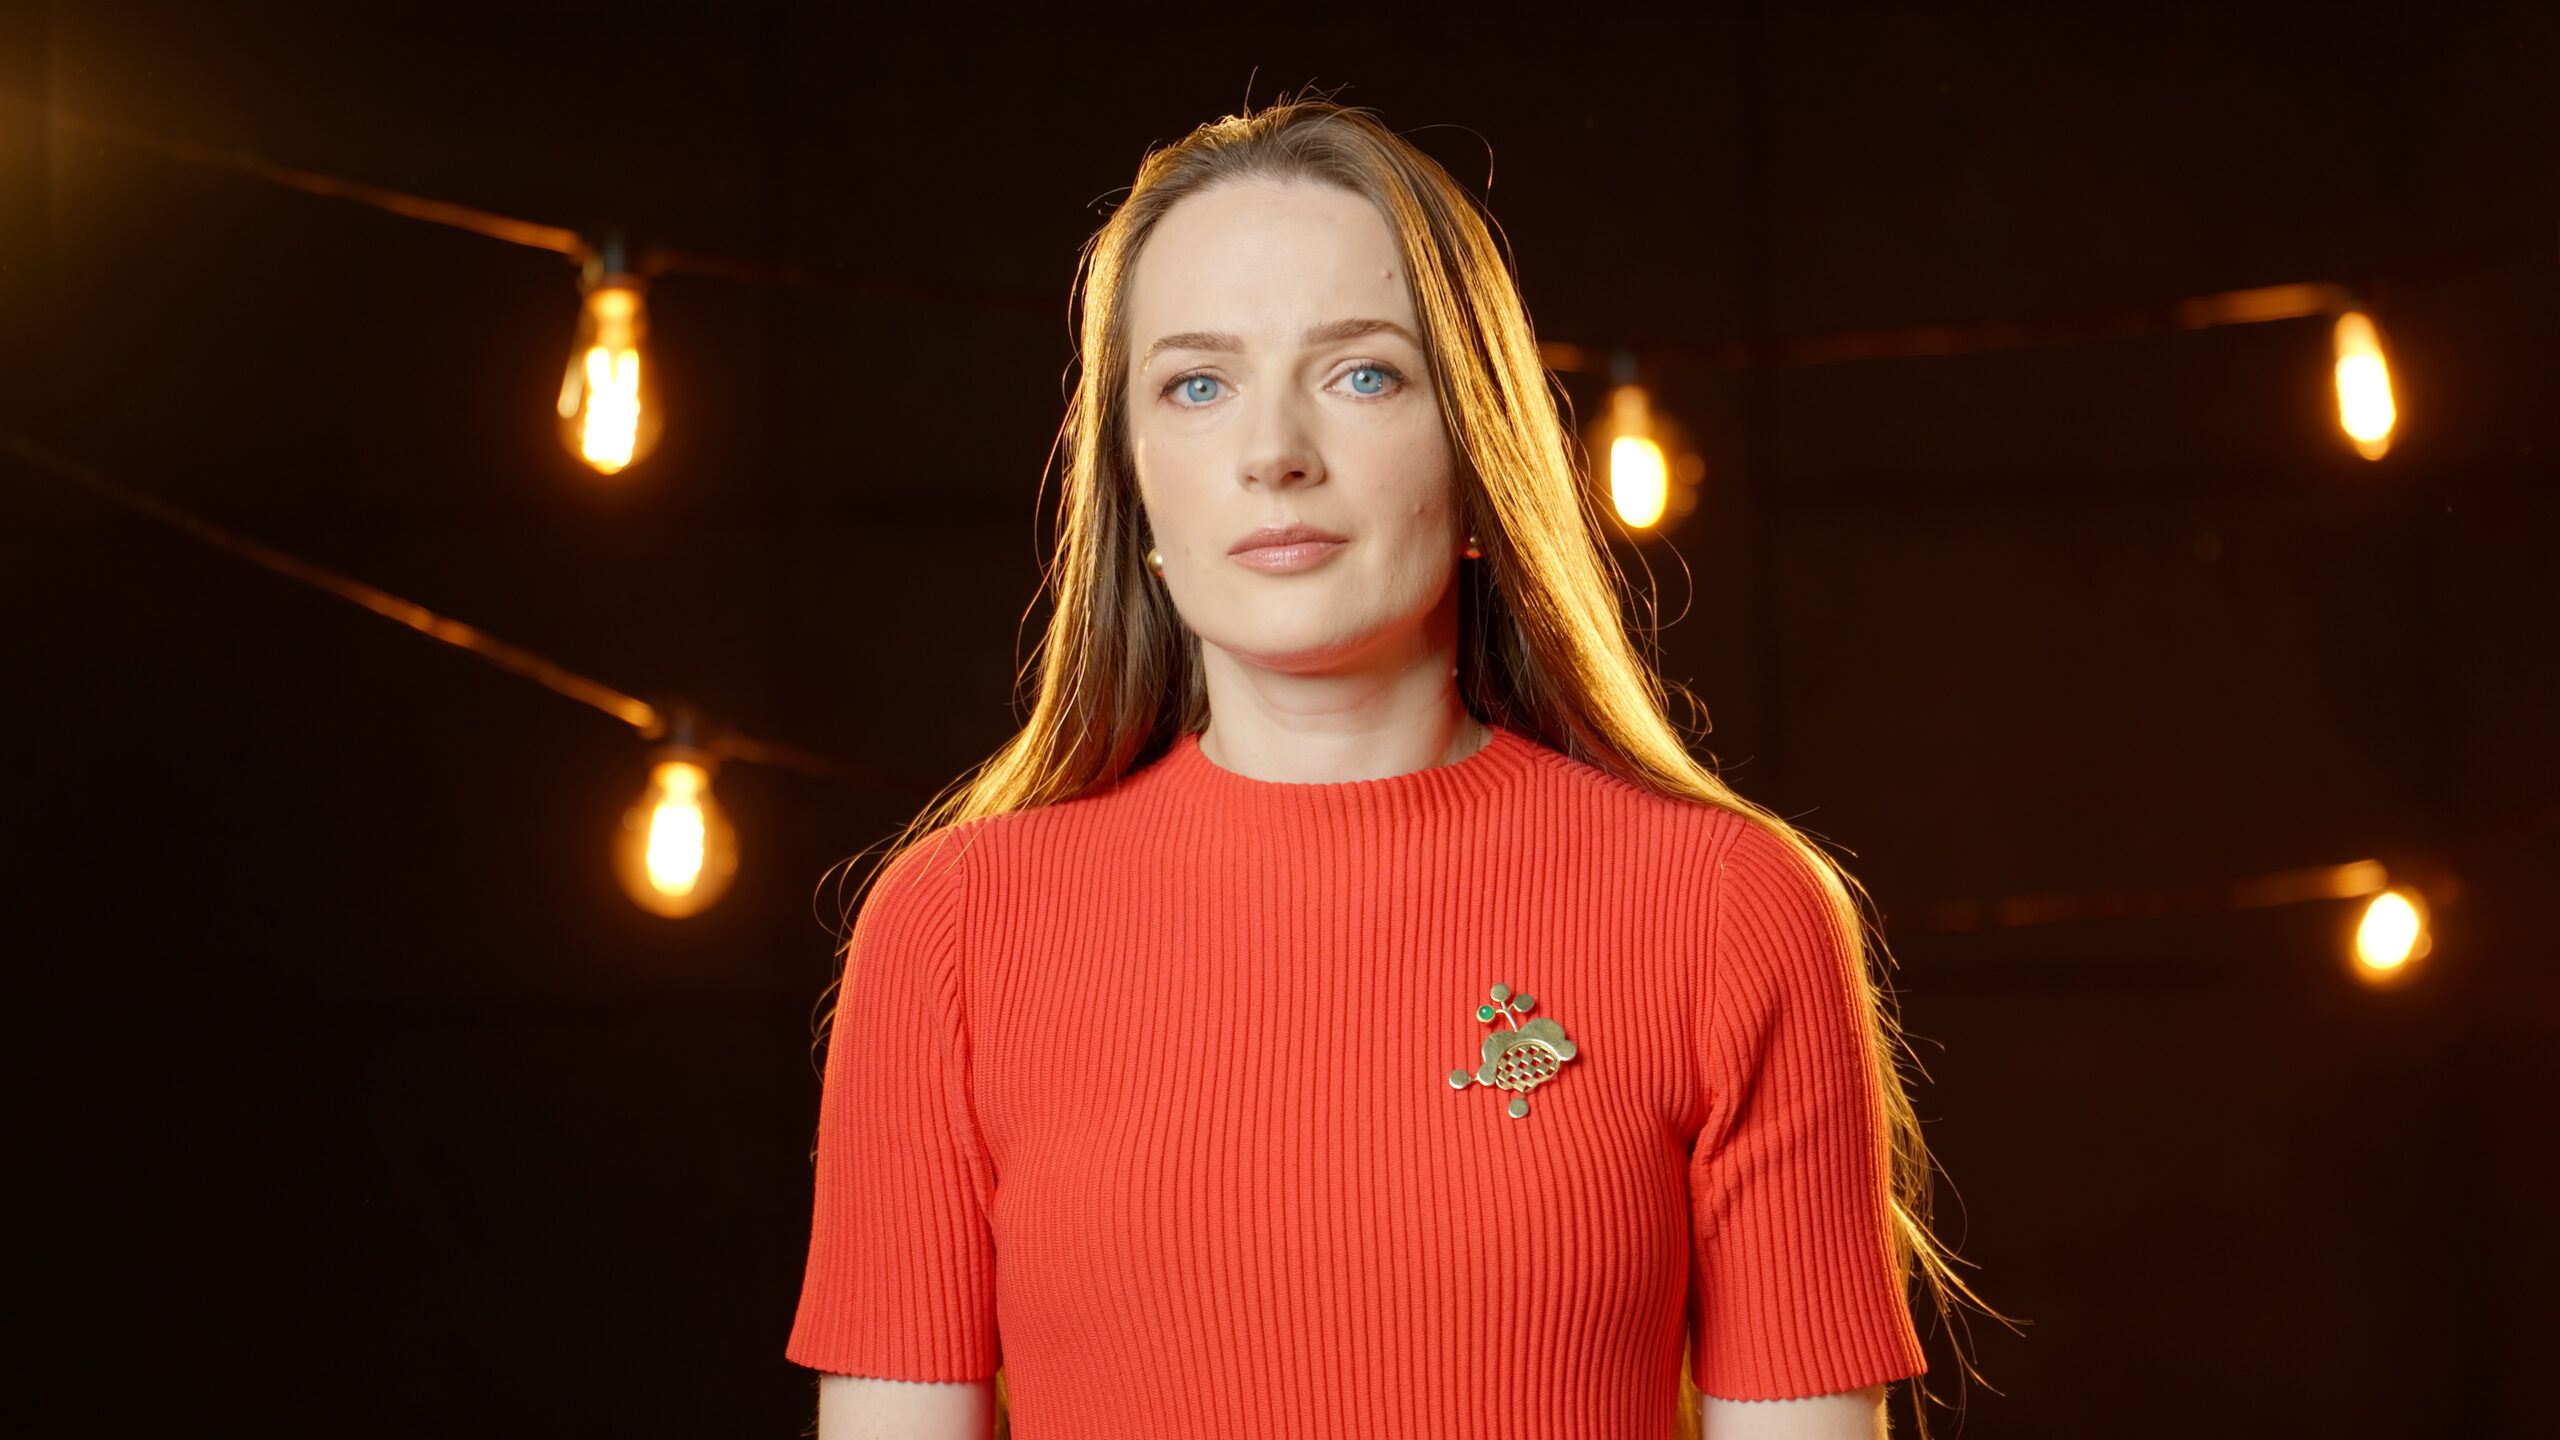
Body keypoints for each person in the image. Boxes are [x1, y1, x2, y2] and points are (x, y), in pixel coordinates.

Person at [788, 100, 1956, 1440]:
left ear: (1475, 455)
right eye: (1197, 385)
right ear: (1135, 484)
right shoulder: (950, 932)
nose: (1273, 453)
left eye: (1362, 375)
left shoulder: (1729, 910)